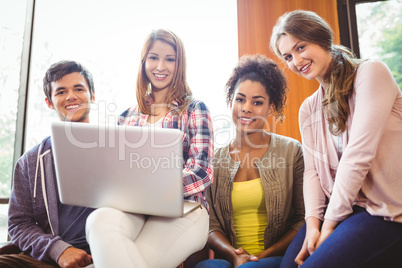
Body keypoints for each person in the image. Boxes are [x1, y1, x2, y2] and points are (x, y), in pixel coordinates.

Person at [270, 10, 402, 268]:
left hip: (388, 210)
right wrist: (312, 225)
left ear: (321, 38)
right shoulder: (308, 108)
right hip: (348, 209)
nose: (296, 60)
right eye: (288, 56)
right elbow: (312, 173)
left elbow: (358, 154)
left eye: (300, 47)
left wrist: (329, 225)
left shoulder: (370, 73)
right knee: (288, 266)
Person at [85, 29, 214, 268]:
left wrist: (154, 188)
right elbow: (116, 170)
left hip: (185, 209)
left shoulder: (195, 108)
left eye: (170, 59)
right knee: (98, 220)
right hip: (135, 209)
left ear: (180, 64)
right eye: (154, 57)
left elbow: (202, 171)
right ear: (144, 62)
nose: (161, 66)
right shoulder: (126, 117)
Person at [196, 55, 305, 268]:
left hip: (276, 257)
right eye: (240, 99)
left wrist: (261, 257)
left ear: (271, 108)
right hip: (230, 258)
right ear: (231, 102)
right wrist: (233, 255)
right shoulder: (214, 159)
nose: (246, 108)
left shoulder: (291, 151)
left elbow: (302, 218)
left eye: (257, 102)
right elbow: (210, 223)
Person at [2, 61, 96, 267]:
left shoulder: (118, 147)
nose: (71, 96)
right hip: (51, 257)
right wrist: (60, 251)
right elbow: (19, 224)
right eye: (61, 91)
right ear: (49, 102)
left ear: (92, 95)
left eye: (79, 89)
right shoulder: (30, 161)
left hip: (106, 253)